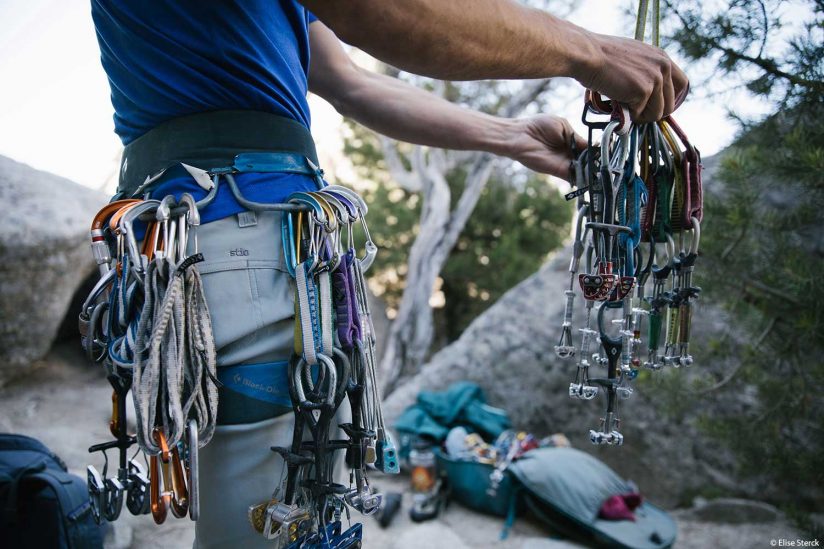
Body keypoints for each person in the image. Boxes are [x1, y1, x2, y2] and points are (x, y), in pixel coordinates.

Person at [90, 1, 688, 547]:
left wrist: (511, 137)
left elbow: (350, 84)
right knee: (275, 527)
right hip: (244, 239)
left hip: (215, 247)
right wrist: (593, 53)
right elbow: (386, 11)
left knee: (289, 516)